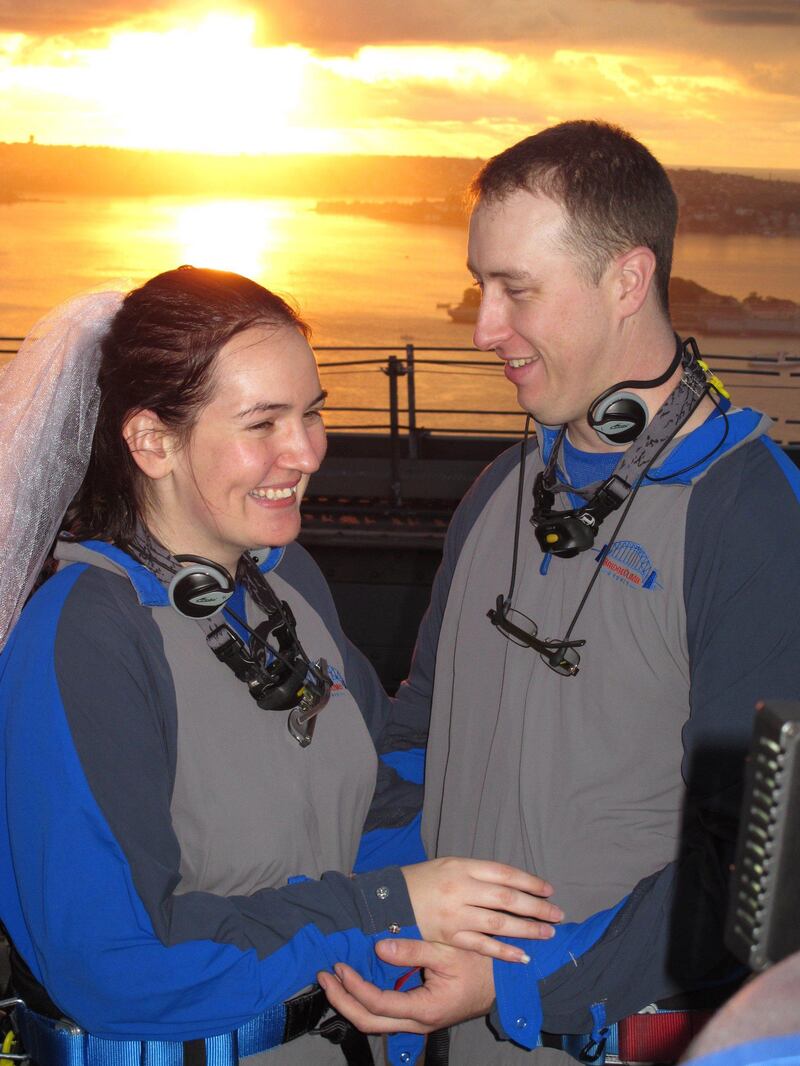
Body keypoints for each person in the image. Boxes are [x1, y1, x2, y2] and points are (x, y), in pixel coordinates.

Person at [318, 121, 800, 1063]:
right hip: (462, 1024)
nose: (484, 326)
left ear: (627, 280)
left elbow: (759, 859)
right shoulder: (501, 487)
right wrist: (376, 901)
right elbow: (425, 735)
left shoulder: (750, 513)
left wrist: (524, 980)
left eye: (518, 291)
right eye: (479, 284)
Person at [0, 266, 564, 1066]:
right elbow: (114, 964)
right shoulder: (83, 635)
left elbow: (369, 804)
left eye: (312, 414)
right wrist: (388, 908)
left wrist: (526, 847)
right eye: (263, 423)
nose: (305, 453)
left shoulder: (281, 582)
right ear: (152, 441)